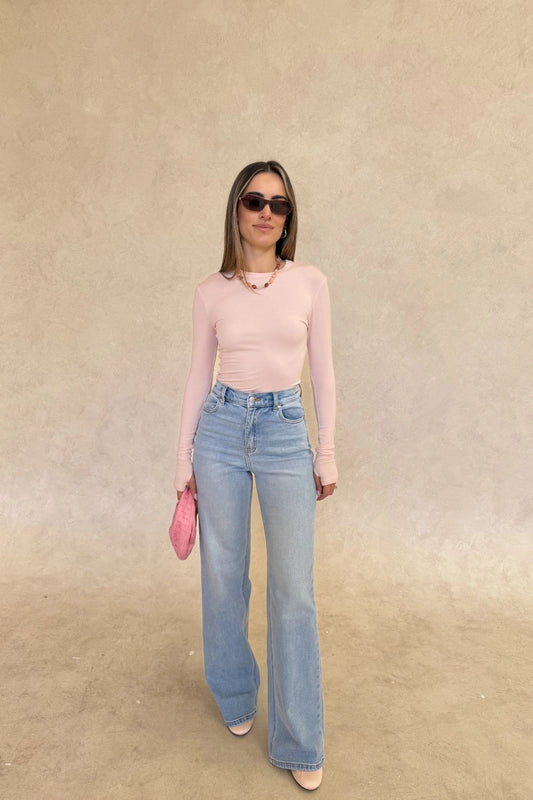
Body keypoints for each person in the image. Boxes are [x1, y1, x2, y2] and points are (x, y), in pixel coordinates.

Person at [174, 160, 337, 791]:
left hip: (282, 431)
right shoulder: (211, 291)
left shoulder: (311, 284)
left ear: (289, 218)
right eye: (253, 201)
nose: (266, 212)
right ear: (236, 211)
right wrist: (182, 460)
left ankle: (299, 735)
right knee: (223, 575)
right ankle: (236, 692)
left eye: (278, 204)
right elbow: (196, 375)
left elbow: (322, 373)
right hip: (219, 430)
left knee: (293, 589)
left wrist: (326, 451)